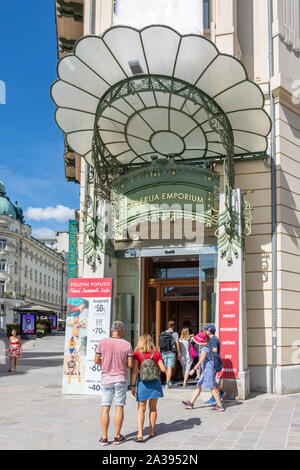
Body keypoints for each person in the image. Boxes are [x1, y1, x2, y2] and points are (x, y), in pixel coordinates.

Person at [94, 320, 133, 446]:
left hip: (106, 378)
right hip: (120, 378)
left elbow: (96, 360)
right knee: (119, 407)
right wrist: (122, 365)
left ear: (112, 330)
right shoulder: (127, 345)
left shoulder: (102, 342)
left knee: (105, 407)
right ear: (122, 331)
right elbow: (131, 364)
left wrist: (105, 364)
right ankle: (117, 436)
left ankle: (104, 437)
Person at [131, 334, 166, 442]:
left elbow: (134, 371)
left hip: (142, 384)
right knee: (153, 408)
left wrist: (132, 385)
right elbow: (164, 369)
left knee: (141, 409)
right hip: (155, 383)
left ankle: (140, 434)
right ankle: (151, 431)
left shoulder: (137, 354)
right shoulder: (157, 353)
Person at [182, 332, 225, 412]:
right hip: (206, 370)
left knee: (212, 388)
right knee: (199, 386)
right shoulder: (206, 347)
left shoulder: (205, 349)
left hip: (208, 370)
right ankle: (191, 403)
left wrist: (194, 369)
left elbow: (201, 360)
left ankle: (219, 405)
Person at [203, 325, 224, 405]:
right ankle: (219, 392)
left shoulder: (214, 339)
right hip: (213, 362)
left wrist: (213, 364)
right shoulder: (212, 339)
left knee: (211, 380)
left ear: (209, 331)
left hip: (213, 363)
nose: (205, 331)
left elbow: (215, 351)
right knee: (212, 380)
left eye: (206, 330)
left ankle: (215, 398)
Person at [159, 320, 180, 388]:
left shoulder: (162, 333)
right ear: (173, 326)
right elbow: (177, 343)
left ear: (168, 326)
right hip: (171, 352)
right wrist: (179, 353)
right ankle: (167, 384)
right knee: (170, 368)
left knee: (166, 368)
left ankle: (169, 380)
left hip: (163, 352)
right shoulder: (175, 333)